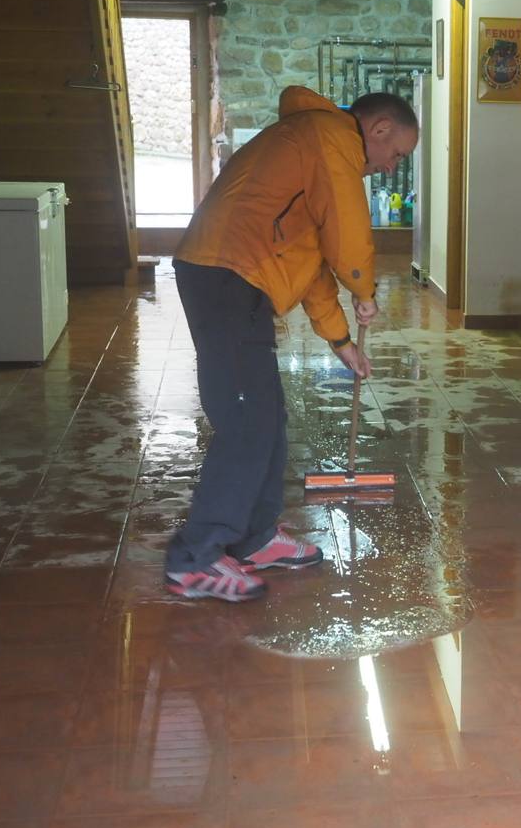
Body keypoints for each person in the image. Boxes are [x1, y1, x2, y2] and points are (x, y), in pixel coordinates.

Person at [164, 86, 419, 602]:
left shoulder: (319, 147)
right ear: (380, 129)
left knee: (266, 415)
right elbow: (348, 235)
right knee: (245, 421)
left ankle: (254, 538)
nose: (392, 167)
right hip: (226, 274)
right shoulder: (329, 139)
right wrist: (364, 288)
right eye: (396, 155)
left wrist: (342, 339)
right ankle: (196, 557)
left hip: (239, 275)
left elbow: (311, 259)